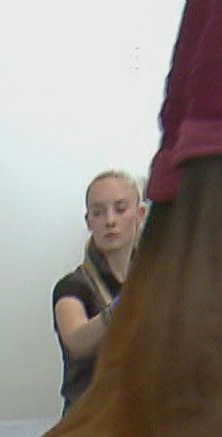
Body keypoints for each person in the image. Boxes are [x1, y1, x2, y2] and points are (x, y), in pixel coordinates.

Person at [51, 170, 146, 414]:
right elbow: (76, 342)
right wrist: (124, 305)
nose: (110, 221)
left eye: (120, 209)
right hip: (87, 420)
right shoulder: (71, 287)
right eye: (98, 212)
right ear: (89, 221)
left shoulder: (153, 284)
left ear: (140, 215)